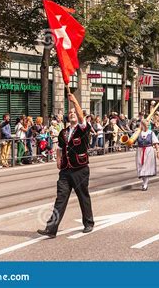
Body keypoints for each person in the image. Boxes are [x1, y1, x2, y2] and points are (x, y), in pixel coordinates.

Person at [37, 92, 94, 238]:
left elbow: (81, 117)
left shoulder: (83, 128)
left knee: (83, 196)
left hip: (80, 169)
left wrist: (75, 101)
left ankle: (88, 223)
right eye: (70, 113)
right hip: (65, 170)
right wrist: (58, 159)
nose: (72, 114)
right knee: (60, 199)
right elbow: (60, 148)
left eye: (74, 112)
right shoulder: (63, 132)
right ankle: (51, 229)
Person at [135, 119, 159, 191]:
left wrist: (158, 152)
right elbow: (132, 140)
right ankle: (144, 182)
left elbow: (156, 143)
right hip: (140, 151)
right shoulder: (138, 133)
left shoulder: (151, 133)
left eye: (148, 125)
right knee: (140, 167)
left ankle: (145, 184)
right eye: (146, 125)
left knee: (146, 168)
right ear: (142, 125)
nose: (147, 126)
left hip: (149, 151)